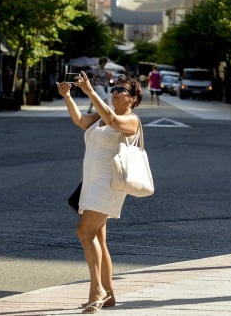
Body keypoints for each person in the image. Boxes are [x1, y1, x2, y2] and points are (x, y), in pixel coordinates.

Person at [57, 72, 143, 314]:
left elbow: (115, 122)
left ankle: (97, 291)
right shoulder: (101, 116)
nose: (116, 92)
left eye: (122, 90)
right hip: (91, 182)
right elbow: (81, 121)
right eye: (114, 88)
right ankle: (109, 294)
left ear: (133, 98)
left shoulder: (131, 120)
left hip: (108, 185)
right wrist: (68, 97)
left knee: (84, 231)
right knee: (99, 239)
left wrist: (90, 92)